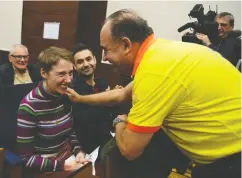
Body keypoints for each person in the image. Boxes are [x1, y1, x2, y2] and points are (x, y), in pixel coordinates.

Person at [66, 9, 241, 178]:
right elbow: (121, 95)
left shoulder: (153, 71)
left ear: (126, 44)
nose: (104, 57)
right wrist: (81, 98)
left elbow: (129, 149)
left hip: (231, 160)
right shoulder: (160, 52)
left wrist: (119, 120)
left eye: (106, 49)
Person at [16, 46, 89, 173]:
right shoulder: (29, 107)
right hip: (47, 167)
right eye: (61, 74)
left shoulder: (65, 96)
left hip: (68, 158)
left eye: (71, 73)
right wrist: (64, 165)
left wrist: (78, 151)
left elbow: (70, 132)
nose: (69, 80)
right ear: (44, 73)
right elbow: (26, 158)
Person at [71, 43, 113, 154]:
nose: (85, 64)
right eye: (80, 62)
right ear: (74, 66)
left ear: (95, 60)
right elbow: (84, 119)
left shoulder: (101, 82)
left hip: (107, 138)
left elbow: (109, 114)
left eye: (88, 59)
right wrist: (107, 99)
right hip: (88, 147)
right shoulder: (73, 90)